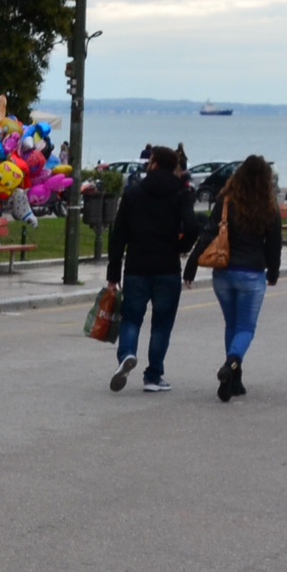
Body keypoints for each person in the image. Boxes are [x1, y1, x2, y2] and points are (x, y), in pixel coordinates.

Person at [182, 154, 281, 402]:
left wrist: (191, 266)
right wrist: (273, 272)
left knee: (232, 325)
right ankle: (231, 364)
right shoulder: (268, 205)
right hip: (252, 274)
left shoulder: (226, 201)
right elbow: (274, 244)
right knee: (246, 328)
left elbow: (208, 235)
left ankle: (234, 379)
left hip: (223, 273)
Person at [105, 144, 200, 392]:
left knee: (131, 318)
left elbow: (118, 237)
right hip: (167, 267)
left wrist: (113, 274)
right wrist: (181, 247)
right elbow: (192, 227)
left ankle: (127, 354)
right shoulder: (180, 193)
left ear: (154, 164)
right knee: (162, 323)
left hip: (136, 267)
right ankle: (153, 376)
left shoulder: (133, 193)